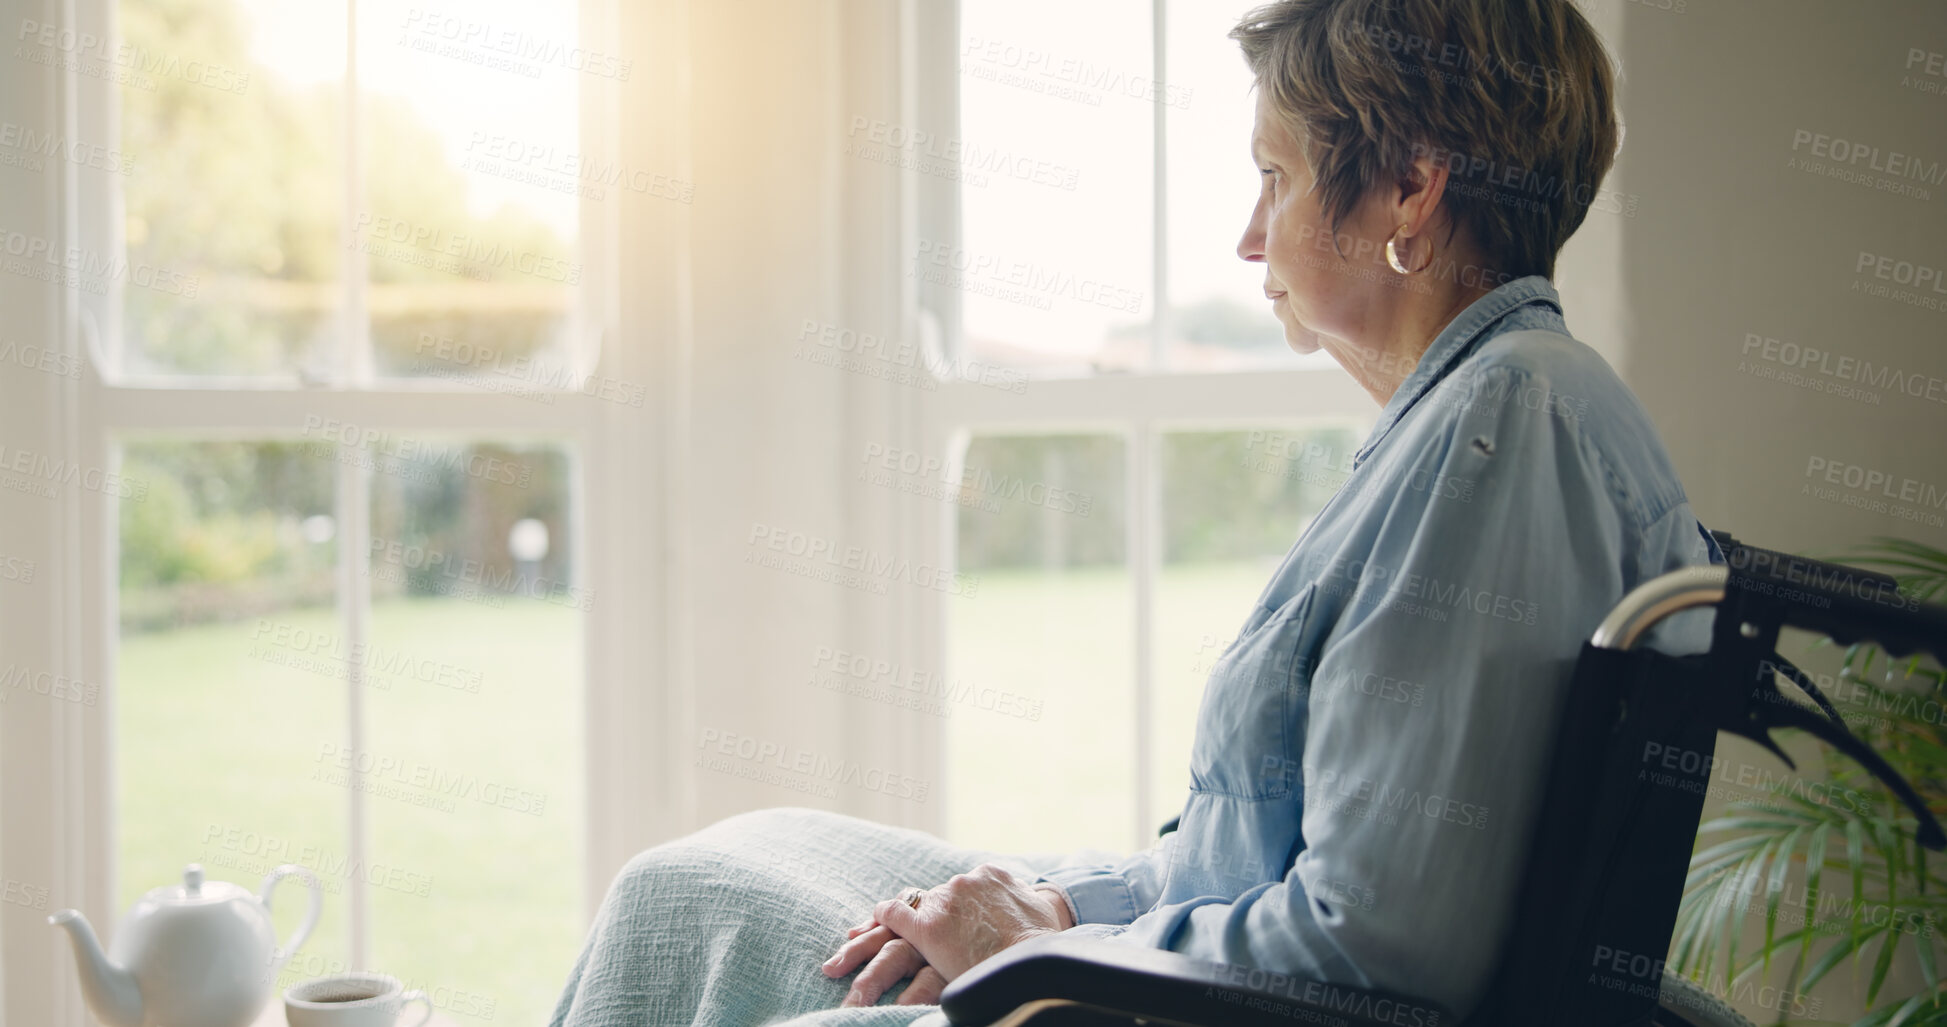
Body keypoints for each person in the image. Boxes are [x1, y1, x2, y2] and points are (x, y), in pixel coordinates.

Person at [548, 1, 1720, 1024]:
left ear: (1413, 184)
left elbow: (1380, 947)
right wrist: (1064, 903)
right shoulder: (1485, 410)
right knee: (717, 868)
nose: (1250, 236)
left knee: (688, 904)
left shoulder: (1503, 432)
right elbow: (1275, 864)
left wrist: (1039, 955)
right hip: (1175, 958)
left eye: (1277, 176)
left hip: (1185, 1006)